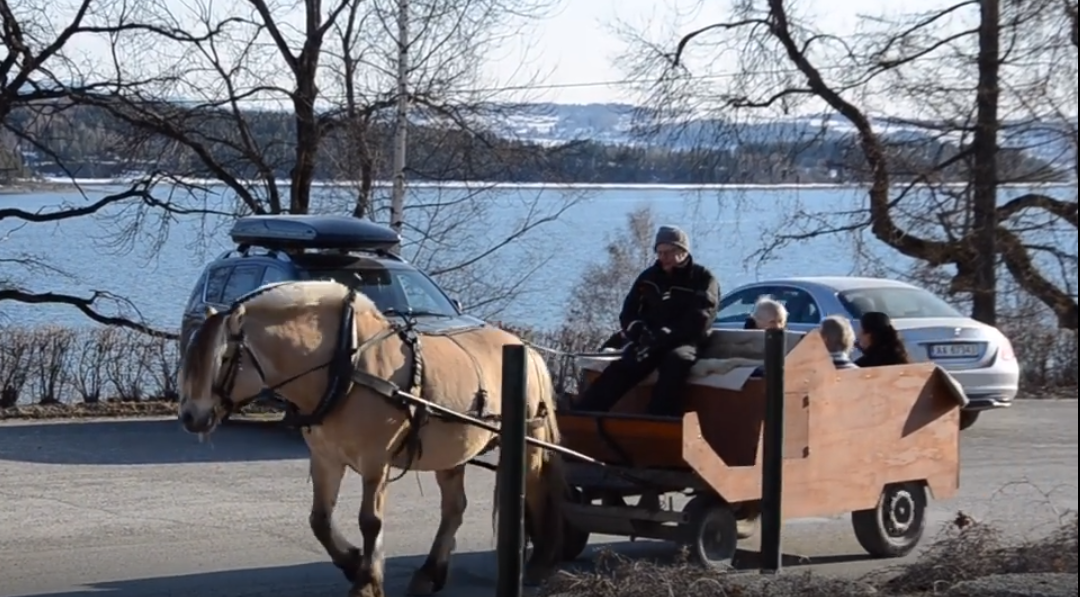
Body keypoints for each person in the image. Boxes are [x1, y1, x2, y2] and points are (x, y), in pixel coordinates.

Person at [574, 225, 719, 417]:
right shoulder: (648, 277)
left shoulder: (703, 278)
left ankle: (658, 419)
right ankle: (583, 416)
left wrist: (670, 334)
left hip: (685, 342)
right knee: (625, 365)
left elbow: (702, 317)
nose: (663, 257)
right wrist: (637, 329)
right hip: (650, 339)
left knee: (675, 362)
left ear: (683, 251)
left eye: (668, 252)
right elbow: (628, 311)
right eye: (659, 252)